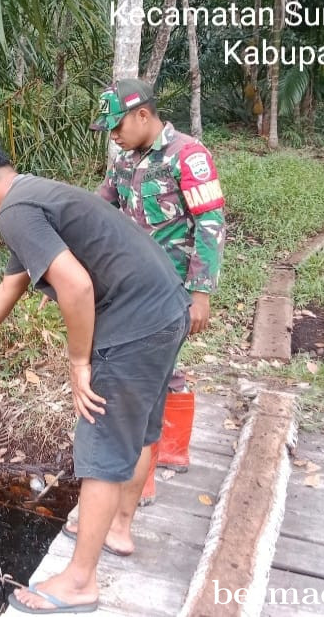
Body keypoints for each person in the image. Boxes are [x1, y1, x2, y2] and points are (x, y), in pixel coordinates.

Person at [0, 142, 190, 614]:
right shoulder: (33, 193)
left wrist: (79, 363)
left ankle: (80, 580)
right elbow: (14, 281)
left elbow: (75, 284)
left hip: (133, 325)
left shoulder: (14, 211)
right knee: (136, 431)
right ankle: (118, 528)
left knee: (100, 444)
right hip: (166, 309)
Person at [90, 77, 227, 503]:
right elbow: (102, 206)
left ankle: (149, 469)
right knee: (158, 368)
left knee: (144, 374)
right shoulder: (125, 159)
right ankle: (166, 452)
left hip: (172, 288)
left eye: (117, 126)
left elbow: (210, 223)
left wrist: (201, 292)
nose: (114, 135)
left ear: (143, 115)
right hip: (135, 286)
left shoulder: (188, 155)